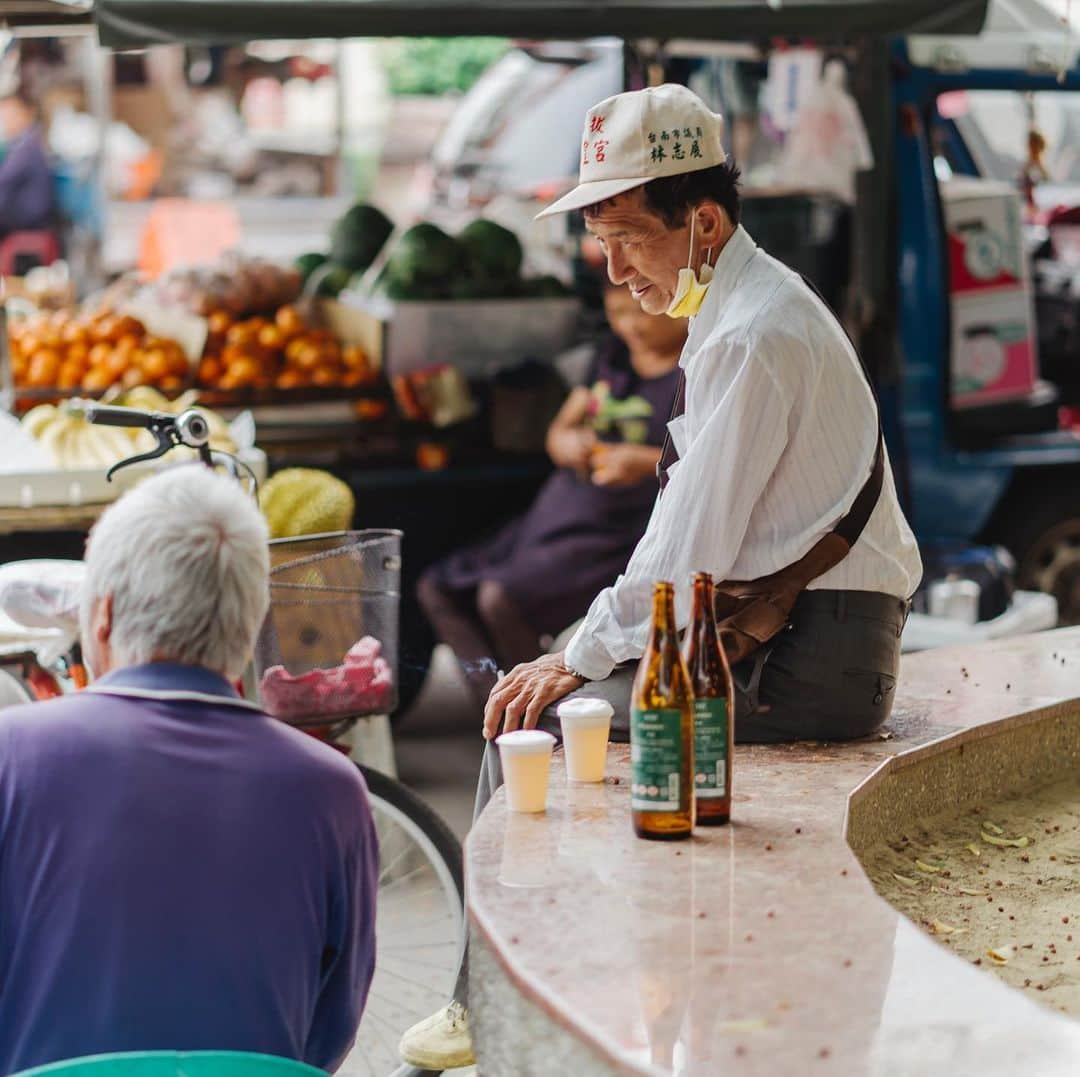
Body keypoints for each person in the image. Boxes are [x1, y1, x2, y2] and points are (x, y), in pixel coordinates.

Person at [399, 82, 921, 1071]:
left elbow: (689, 549)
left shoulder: (752, 333)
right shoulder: (743, 313)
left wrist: (574, 654)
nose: (614, 268)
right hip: (798, 638)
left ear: (707, 221)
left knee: (531, 722)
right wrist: (585, 650)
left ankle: (495, 1007)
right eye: (601, 243)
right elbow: (688, 537)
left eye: (630, 239)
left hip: (819, 659)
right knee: (541, 719)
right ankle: (551, 989)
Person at [0, 467, 378, 1076]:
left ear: (103, 617)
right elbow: (329, 1031)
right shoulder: (332, 789)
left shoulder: (10, 754)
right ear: (252, 626)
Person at [418, 279, 685, 701]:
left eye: (640, 312)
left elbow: (709, 459)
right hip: (559, 512)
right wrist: (565, 442)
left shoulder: (694, 368)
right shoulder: (613, 354)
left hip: (619, 530)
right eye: (617, 313)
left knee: (500, 598)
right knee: (437, 588)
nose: (630, 325)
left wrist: (644, 461)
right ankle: (501, 710)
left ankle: (549, 718)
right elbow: (560, 429)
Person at [0, 90, 55, 238]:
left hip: (27, 223)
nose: (5, 121)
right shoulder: (19, 143)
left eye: (9, 114)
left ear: (26, 113)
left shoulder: (27, 147)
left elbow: (4, 180)